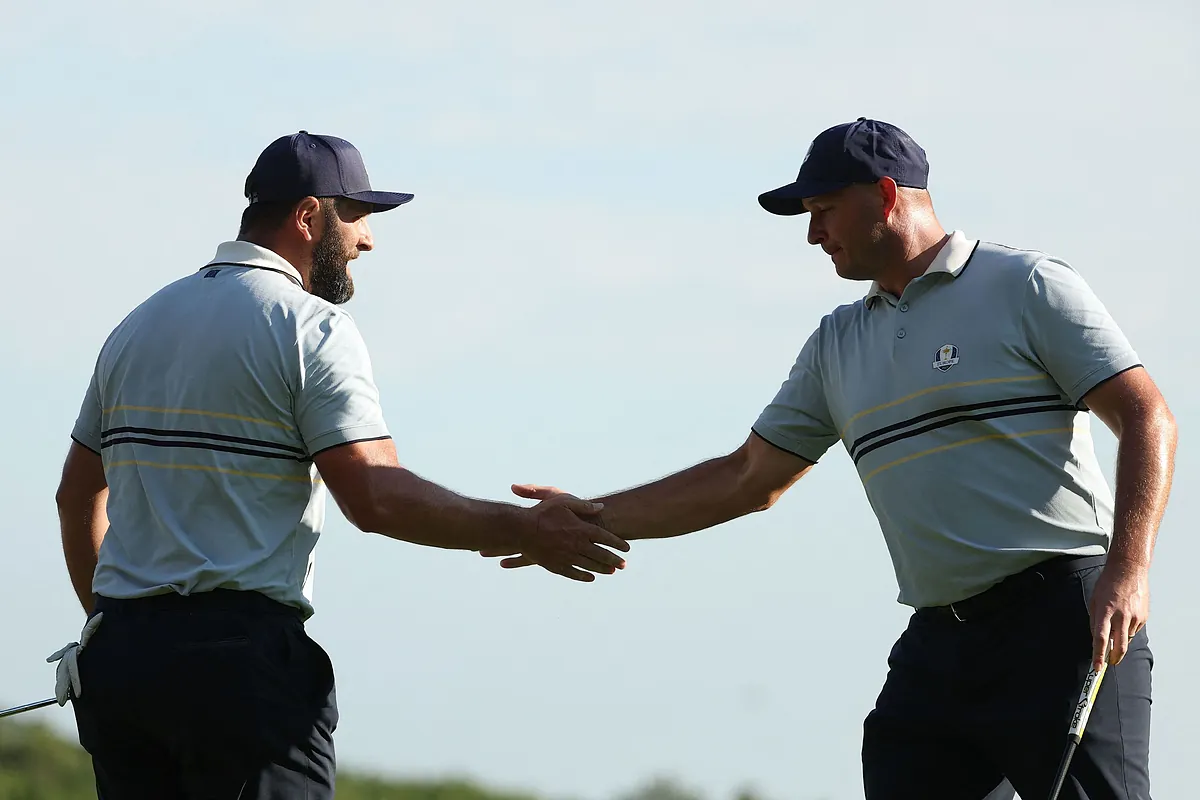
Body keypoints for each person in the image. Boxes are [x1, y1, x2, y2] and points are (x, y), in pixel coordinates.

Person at [483, 118, 1177, 799]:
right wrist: (585, 517)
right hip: (939, 641)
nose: (814, 235)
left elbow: (1148, 416)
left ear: (883, 196)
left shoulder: (1026, 285)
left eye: (823, 211)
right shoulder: (835, 342)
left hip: (1065, 616)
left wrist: (1129, 569)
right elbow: (747, 478)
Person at [47, 130, 630, 799]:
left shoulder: (137, 325)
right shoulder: (310, 327)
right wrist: (523, 527)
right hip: (243, 671)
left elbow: (75, 496)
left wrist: (110, 628)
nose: (367, 240)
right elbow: (376, 498)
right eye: (356, 218)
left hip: (121, 671)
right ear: (307, 217)